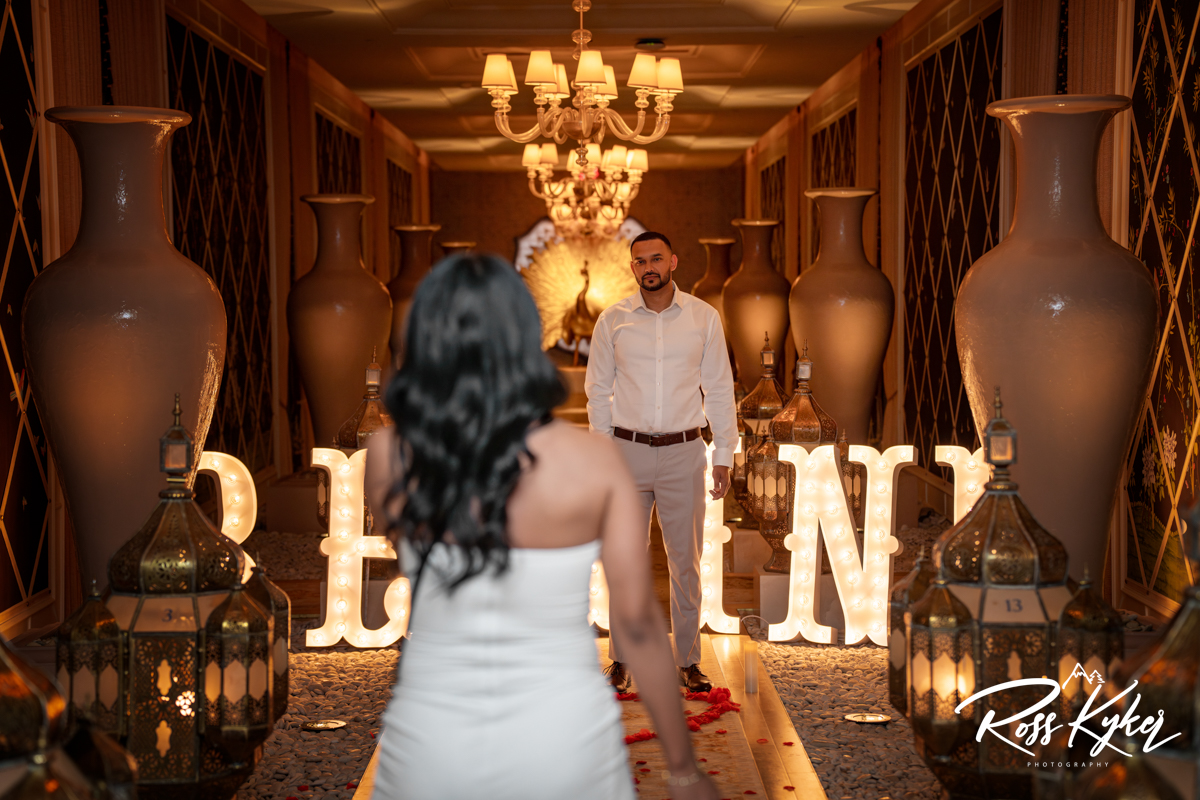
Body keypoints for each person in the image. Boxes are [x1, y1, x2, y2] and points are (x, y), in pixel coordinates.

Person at [366, 254, 718, 800]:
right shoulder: (595, 461)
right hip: (562, 733)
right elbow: (641, 625)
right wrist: (683, 768)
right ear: (526, 336)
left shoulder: (388, 456)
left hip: (433, 737)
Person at [584, 231, 737, 694]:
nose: (648, 267)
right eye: (639, 261)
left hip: (685, 452)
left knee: (685, 564)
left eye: (655, 259)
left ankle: (688, 661)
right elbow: (597, 392)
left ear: (673, 261)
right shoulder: (612, 321)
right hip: (625, 453)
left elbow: (720, 388)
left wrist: (725, 453)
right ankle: (623, 659)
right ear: (632, 268)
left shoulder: (703, 318)